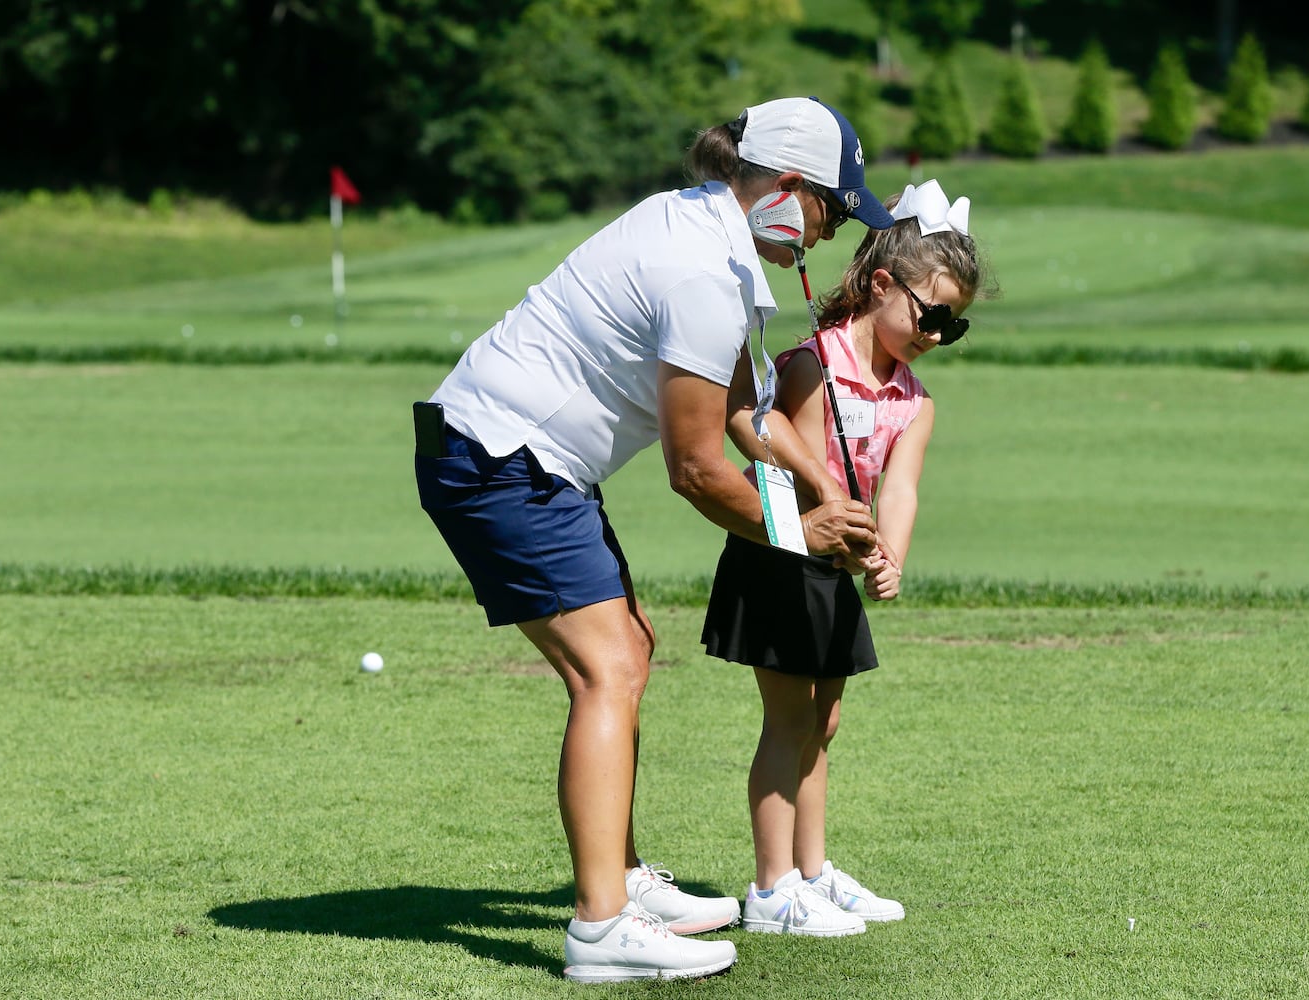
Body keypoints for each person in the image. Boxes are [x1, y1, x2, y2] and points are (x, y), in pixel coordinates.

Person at [413, 96, 895, 983]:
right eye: (832, 207)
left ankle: (621, 882)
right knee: (611, 668)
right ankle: (601, 931)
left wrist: (830, 488)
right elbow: (698, 470)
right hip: (502, 459)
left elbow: (748, 407)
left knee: (627, 647)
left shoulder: (702, 229)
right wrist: (805, 533)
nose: (830, 232)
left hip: (522, 459)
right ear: (788, 187)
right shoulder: (701, 274)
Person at [701, 179, 986, 936]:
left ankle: (812, 873)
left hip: (833, 571)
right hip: (781, 556)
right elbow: (763, 436)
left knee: (823, 723)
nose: (935, 335)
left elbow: (901, 489)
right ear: (883, 284)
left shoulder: (913, 400)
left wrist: (889, 555)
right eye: (931, 316)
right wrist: (822, 489)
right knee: (788, 721)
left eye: (951, 328)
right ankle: (771, 891)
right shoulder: (812, 364)